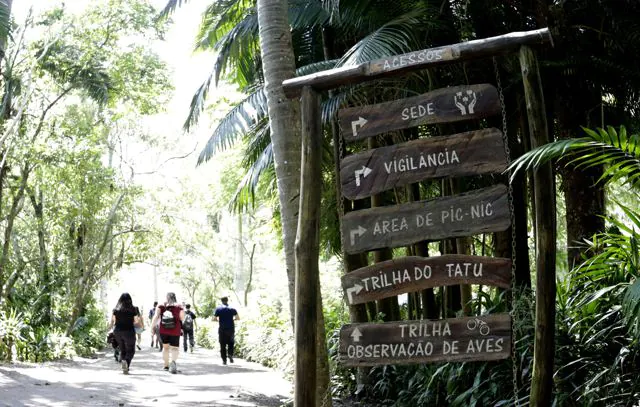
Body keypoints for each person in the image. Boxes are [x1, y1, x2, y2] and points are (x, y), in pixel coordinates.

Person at [151, 292, 185, 374]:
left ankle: (166, 366)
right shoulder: (179, 306)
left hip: (163, 330)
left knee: (165, 348)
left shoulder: (161, 305)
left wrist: (152, 328)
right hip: (175, 330)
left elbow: (155, 317)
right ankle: (173, 363)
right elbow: (182, 318)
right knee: (174, 348)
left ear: (167, 297)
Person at [108, 293, 138, 374]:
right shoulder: (133, 309)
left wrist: (108, 329)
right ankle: (126, 363)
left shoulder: (115, 310)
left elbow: (112, 321)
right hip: (129, 331)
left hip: (117, 331)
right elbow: (136, 321)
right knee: (131, 350)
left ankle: (124, 362)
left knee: (122, 349)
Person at [214, 296, 239, 365]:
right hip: (231, 329)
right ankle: (230, 354)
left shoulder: (218, 309)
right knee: (231, 343)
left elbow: (214, 319)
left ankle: (224, 360)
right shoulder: (232, 308)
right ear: (227, 300)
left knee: (222, 345)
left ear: (221, 301)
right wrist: (233, 320)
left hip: (222, 329)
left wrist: (219, 320)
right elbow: (238, 318)